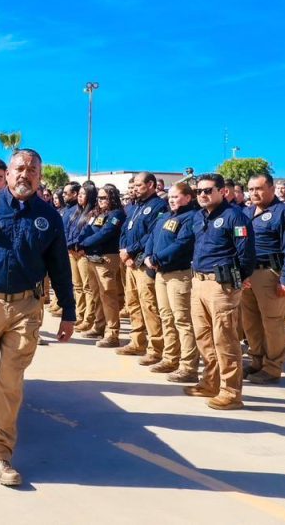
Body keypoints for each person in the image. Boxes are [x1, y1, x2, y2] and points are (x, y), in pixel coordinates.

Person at [0, 149, 74, 488]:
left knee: (10, 381)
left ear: (40, 176)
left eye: (33, 170)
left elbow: (60, 269)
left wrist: (69, 313)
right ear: (8, 173)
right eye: (20, 168)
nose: (26, 174)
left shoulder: (49, 217)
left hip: (26, 308)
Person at [187, 173, 255, 410]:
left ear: (222, 191)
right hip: (198, 281)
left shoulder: (235, 217)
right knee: (203, 337)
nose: (202, 195)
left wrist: (241, 278)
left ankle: (231, 391)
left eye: (207, 190)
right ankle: (210, 381)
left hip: (221, 285)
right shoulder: (198, 216)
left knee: (224, 339)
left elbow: (246, 253)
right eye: (199, 192)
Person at [242, 173, 285, 384]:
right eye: (250, 189)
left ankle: (273, 367)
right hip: (248, 274)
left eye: (258, 188)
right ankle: (256, 361)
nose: (254, 193)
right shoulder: (246, 212)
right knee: (251, 323)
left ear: (271, 188)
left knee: (273, 323)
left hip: (270, 274)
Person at [143, 182, 199, 382]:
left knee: (182, 320)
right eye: (171, 196)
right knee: (166, 317)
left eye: (176, 196)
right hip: (161, 274)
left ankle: (188, 366)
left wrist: (157, 259)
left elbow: (183, 243)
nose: (172, 199)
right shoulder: (165, 216)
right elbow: (152, 237)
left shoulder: (191, 217)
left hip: (179, 274)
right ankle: (170, 358)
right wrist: (148, 256)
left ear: (188, 197)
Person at [118, 172, 169, 365]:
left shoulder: (159, 206)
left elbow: (151, 235)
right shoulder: (135, 206)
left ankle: (156, 348)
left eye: (139, 185)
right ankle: (137, 341)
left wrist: (130, 251)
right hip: (129, 262)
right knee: (133, 303)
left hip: (142, 262)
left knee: (149, 305)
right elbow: (124, 230)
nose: (135, 188)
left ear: (150, 185)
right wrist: (123, 250)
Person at [75, 185, 126, 348]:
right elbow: (88, 229)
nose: (100, 201)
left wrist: (84, 244)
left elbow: (106, 233)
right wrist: (79, 242)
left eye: (104, 198)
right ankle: (99, 326)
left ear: (112, 198)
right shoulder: (98, 214)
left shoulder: (116, 214)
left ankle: (112, 333)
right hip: (92, 257)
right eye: (99, 198)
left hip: (106, 258)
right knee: (96, 294)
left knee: (108, 295)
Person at [68, 184, 103, 337]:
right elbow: (70, 231)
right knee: (77, 286)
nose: (80, 196)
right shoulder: (76, 212)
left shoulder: (93, 214)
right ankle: (79, 315)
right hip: (72, 252)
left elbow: (88, 234)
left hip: (83, 254)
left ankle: (89, 319)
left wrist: (80, 246)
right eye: (79, 194)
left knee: (87, 287)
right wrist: (70, 246)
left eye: (83, 194)